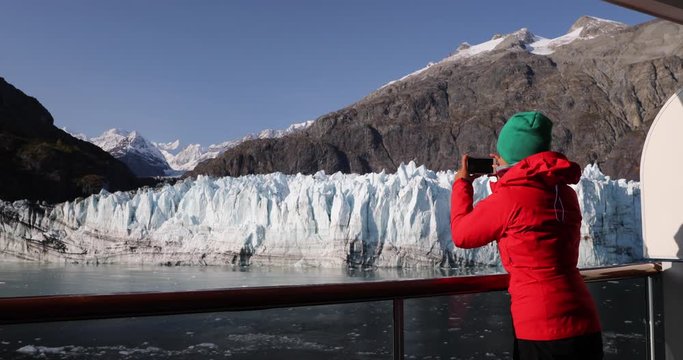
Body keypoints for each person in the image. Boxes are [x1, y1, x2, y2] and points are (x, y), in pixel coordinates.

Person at [450, 111, 603, 360]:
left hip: (541, 328)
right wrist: (507, 174)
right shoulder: (566, 194)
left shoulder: (509, 199)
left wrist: (462, 184)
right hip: (585, 321)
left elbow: (462, 234)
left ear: (508, 158)